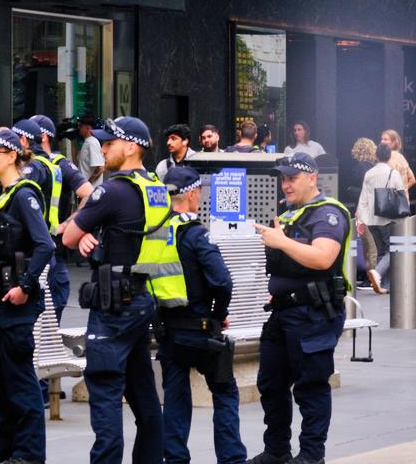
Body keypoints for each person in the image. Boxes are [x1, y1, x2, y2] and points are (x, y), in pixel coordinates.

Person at [63, 116, 165, 464]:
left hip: (113, 306)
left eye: (109, 144)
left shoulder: (113, 189)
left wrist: (88, 229)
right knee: (143, 395)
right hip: (141, 298)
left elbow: (69, 235)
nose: (103, 149)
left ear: (132, 147)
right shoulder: (154, 186)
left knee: (105, 391)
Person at [248, 152, 349, 464]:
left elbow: (323, 258)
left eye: (293, 178)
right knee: (271, 384)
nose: (286, 185)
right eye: (284, 178)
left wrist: (281, 242)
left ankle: (310, 456)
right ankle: (277, 451)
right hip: (282, 313)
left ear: (312, 178)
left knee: (310, 387)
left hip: (312, 315)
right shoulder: (291, 213)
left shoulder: (327, 214)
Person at [0, 128, 54, 464]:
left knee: (19, 380)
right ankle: (7, 445)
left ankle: (30, 454)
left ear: (11, 156)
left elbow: (45, 245)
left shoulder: (23, 195)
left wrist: (26, 286)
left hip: (15, 299)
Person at [158, 166, 247, 464]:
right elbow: (222, 282)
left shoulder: (157, 236)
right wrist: (219, 315)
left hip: (169, 332)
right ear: (193, 194)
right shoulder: (197, 236)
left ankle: (175, 459)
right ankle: (231, 459)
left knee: (175, 399)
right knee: (224, 392)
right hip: (203, 330)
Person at [30, 114, 93, 322]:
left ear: (44, 137)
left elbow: (88, 193)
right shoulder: (27, 165)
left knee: (55, 293)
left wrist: (69, 224)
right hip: (30, 242)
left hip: (51, 242)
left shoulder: (60, 164)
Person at [356, 143, 405, 295]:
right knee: (392, 249)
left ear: (376, 156)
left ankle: (383, 284)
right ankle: (377, 273)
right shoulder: (393, 173)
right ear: (389, 156)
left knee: (382, 250)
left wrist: (360, 217)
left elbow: (363, 197)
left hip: (370, 218)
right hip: (387, 217)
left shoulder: (369, 173)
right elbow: (401, 193)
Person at [349, 138, 378, 280]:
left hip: (363, 208)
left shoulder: (361, 166)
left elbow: (363, 189)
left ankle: (370, 275)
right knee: (370, 241)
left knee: (367, 242)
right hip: (370, 207)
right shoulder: (373, 166)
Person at [380, 129, 416, 198]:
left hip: (390, 202)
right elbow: (412, 180)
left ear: (394, 142)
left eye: (385, 139)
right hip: (403, 202)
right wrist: (403, 190)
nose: (382, 141)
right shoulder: (402, 158)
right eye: (381, 139)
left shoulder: (387, 158)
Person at [77, 115, 105, 187]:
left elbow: (100, 168)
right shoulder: (87, 142)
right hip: (85, 191)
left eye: (81, 126)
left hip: (91, 191)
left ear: (88, 128)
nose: (78, 128)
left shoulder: (92, 143)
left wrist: (87, 184)